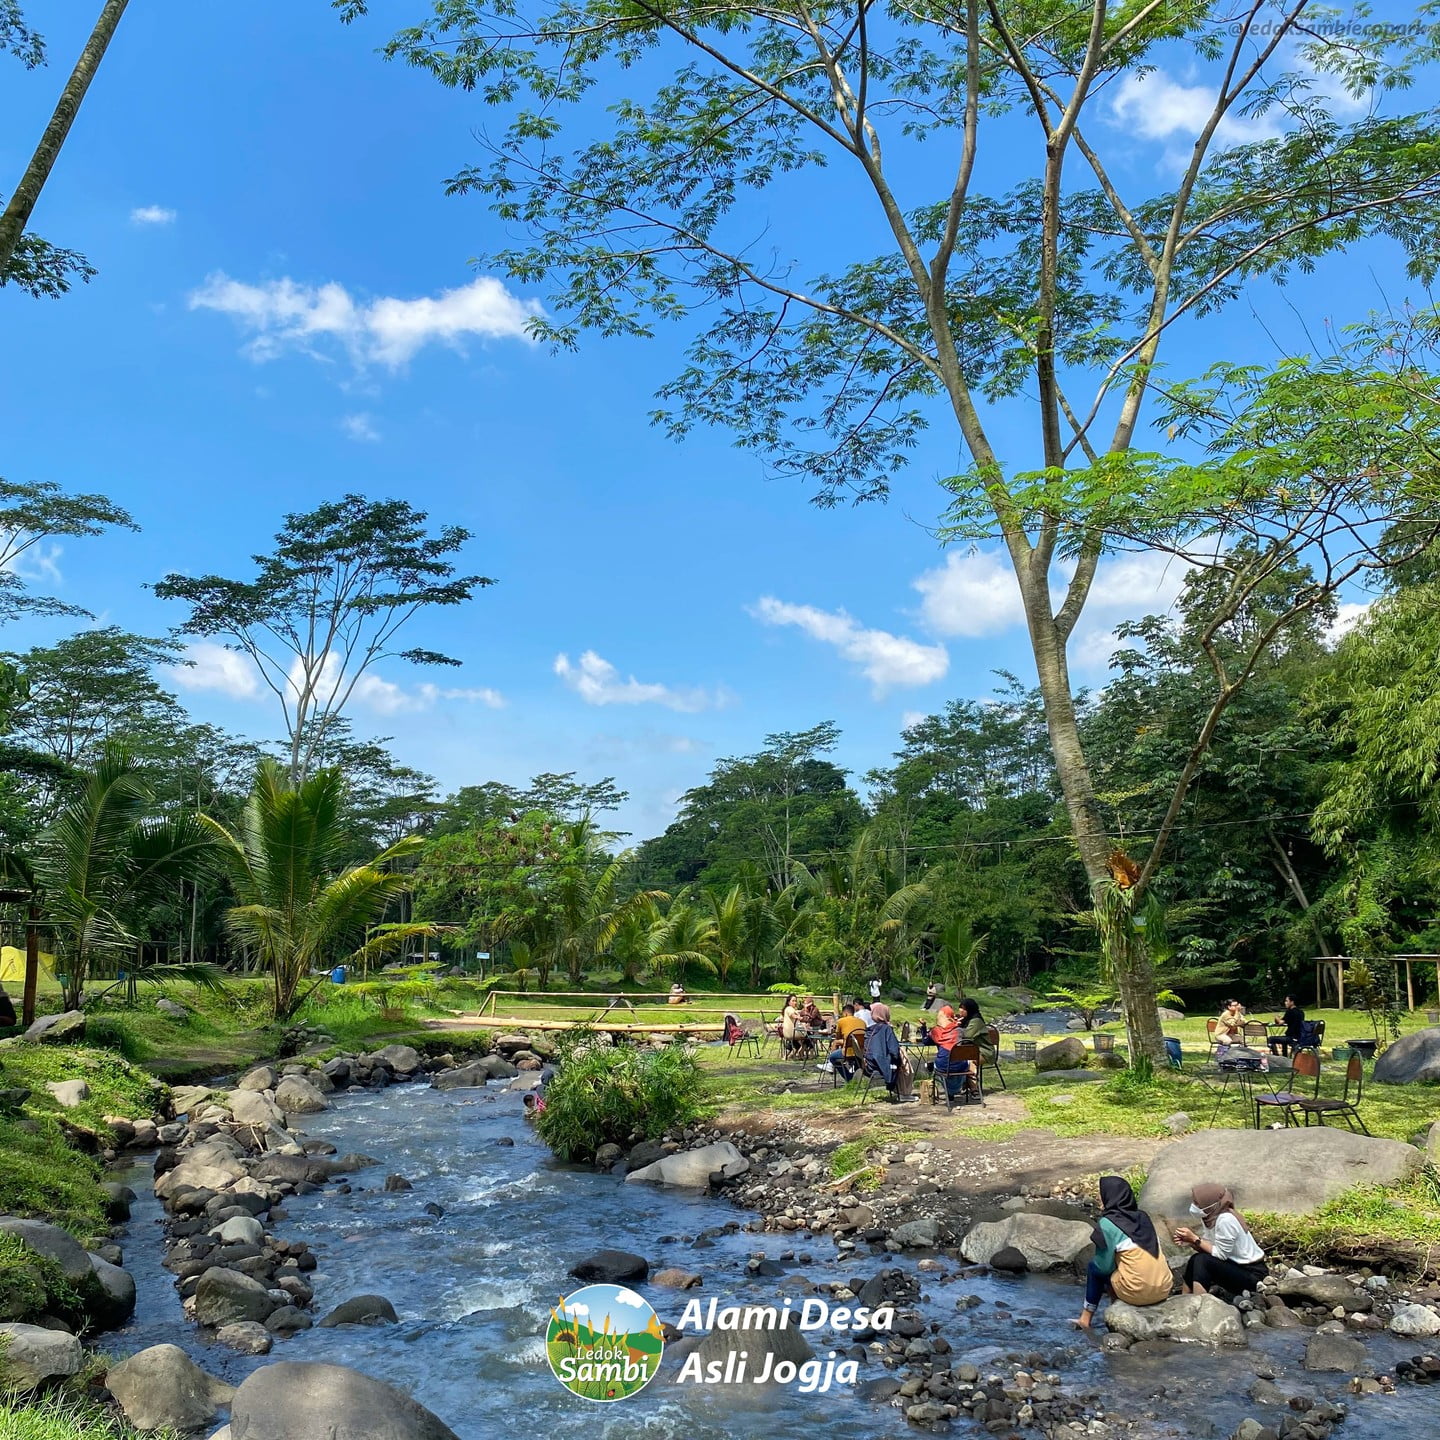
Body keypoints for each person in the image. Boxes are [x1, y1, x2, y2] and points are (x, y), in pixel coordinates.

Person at [1075, 1176, 1173, 1328]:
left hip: (1138, 1293)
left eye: (1102, 1195)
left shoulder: (1108, 1224)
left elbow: (1104, 1267)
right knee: (1124, 1262)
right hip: (1164, 1288)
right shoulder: (1143, 1217)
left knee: (1094, 1268)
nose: (1099, 1199)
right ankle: (1115, 1304)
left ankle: (1085, 1319)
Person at [1172, 1184, 1267, 1300]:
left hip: (1252, 1274)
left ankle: (1199, 1302)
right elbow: (1210, 1247)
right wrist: (1191, 1242)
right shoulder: (1210, 1217)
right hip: (1235, 1266)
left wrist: (1195, 1239)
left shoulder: (1225, 1220)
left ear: (1210, 1205)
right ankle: (1184, 1300)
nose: (1194, 1206)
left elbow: (1221, 1254)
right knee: (1195, 1259)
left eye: (1197, 1203)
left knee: (1202, 1261)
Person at [862, 1001, 901, 1100]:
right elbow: (894, 1050)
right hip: (880, 1065)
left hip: (868, 1064)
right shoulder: (886, 1029)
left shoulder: (870, 1029)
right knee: (904, 1062)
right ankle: (904, 1092)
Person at [824, 1002, 868, 1080]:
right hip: (861, 1052)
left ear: (845, 1013)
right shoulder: (862, 1022)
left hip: (848, 1051)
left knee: (833, 1057)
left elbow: (838, 1037)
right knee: (856, 1057)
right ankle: (857, 1075)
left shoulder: (841, 1021)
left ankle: (848, 1078)